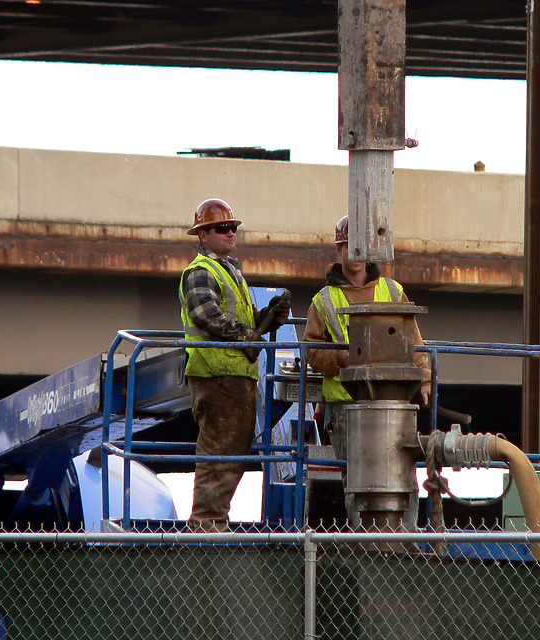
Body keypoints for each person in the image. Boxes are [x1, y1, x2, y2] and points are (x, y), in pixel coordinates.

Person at [304, 215, 431, 526]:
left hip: (393, 402)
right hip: (346, 405)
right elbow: (312, 350)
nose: (354, 253)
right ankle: (364, 540)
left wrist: (425, 379)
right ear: (339, 250)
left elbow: (412, 340)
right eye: (348, 246)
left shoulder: (392, 289)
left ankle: (405, 538)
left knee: (401, 473)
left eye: (360, 246)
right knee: (358, 478)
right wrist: (340, 360)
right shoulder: (323, 300)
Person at [179, 197, 291, 532]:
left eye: (233, 227)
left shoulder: (231, 273)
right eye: (222, 228)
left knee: (235, 449)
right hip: (216, 376)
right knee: (220, 448)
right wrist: (247, 333)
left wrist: (265, 319)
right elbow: (206, 315)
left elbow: (236, 324)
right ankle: (205, 523)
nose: (231, 233)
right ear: (203, 236)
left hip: (235, 376)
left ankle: (214, 520)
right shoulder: (200, 272)